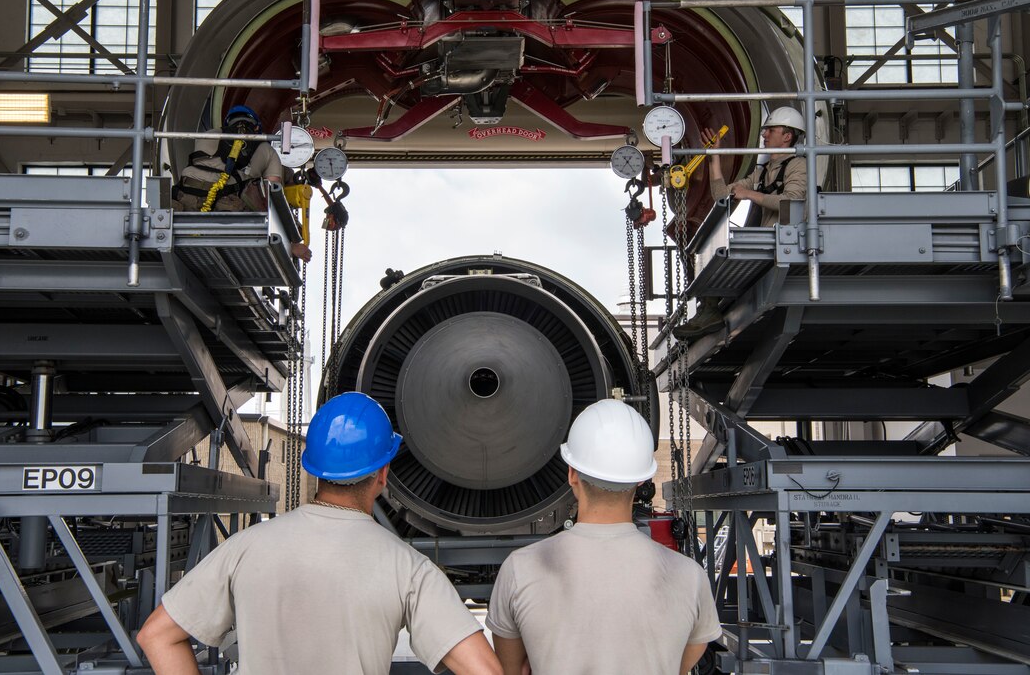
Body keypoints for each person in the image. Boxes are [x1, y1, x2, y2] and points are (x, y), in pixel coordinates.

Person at [137, 392, 502, 675]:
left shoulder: (245, 548)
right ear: (382, 474)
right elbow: (484, 669)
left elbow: (156, 636)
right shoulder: (407, 568)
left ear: (314, 468)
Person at [486, 399, 721, 675]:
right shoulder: (690, 577)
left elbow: (510, 668)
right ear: (642, 481)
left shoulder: (520, 569)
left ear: (572, 475)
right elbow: (684, 660)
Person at [674, 106, 808, 339]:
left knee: (719, 254)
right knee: (699, 252)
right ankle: (707, 309)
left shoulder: (798, 166)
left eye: (771, 130)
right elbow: (721, 196)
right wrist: (713, 157)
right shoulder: (764, 172)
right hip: (769, 240)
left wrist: (750, 195)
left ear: (788, 136)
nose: (764, 135)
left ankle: (709, 311)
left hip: (783, 241)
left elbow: (792, 201)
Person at [173, 104, 311, 261]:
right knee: (259, 215)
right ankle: (290, 248)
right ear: (257, 128)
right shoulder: (267, 150)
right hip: (224, 208)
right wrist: (290, 240)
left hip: (185, 199)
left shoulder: (209, 135)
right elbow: (273, 195)